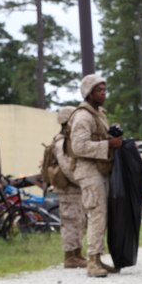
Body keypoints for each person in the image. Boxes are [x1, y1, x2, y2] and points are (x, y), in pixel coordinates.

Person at [67, 74, 122, 278]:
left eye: (105, 90)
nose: (104, 94)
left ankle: (97, 257)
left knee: (102, 215)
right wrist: (108, 144)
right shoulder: (83, 116)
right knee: (97, 213)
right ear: (89, 93)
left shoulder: (98, 114)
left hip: (98, 170)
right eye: (99, 90)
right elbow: (78, 146)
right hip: (88, 170)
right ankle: (92, 260)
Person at [51, 107, 87, 269]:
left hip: (74, 188)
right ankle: (70, 256)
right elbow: (66, 167)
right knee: (70, 221)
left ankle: (77, 254)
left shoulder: (69, 140)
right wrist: (81, 181)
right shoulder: (61, 142)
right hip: (68, 189)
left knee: (79, 221)